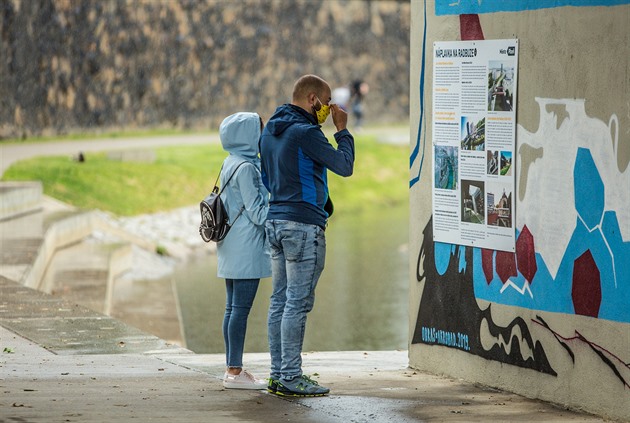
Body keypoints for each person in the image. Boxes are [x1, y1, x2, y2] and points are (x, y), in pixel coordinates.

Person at [260, 74, 355, 397]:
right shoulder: (306, 133)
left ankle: (278, 372)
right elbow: (344, 166)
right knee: (296, 304)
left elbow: (267, 179)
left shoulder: (270, 131)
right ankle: (290, 375)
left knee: (280, 302)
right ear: (312, 99)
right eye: (327, 104)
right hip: (302, 227)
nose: (329, 110)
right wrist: (342, 130)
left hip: (275, 223)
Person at [216, 112, 271, 390]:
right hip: (246, 247)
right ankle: (235, 372)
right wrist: (281, 201)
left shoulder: (230, 161)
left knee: (231, 309)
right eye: (258, 130)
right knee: (240, 310)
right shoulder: (248, 169)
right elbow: (259, 213)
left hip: (230, 245)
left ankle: (231, 368)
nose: (262, 136)